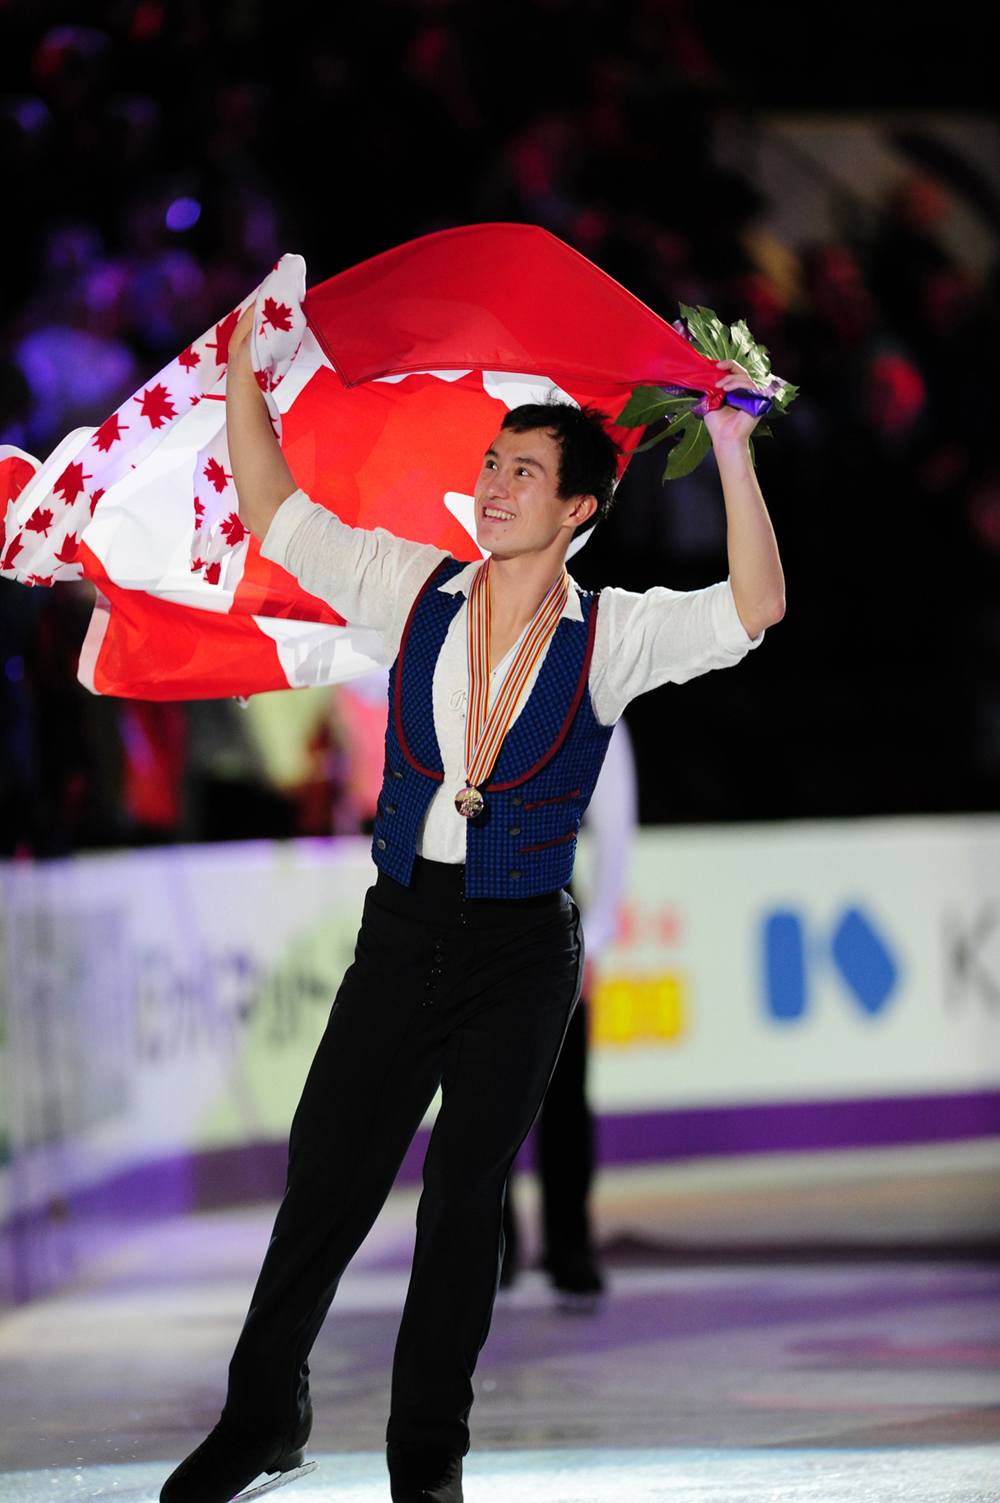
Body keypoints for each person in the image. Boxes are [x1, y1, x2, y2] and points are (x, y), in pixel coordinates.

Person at [161, 303, 785, 1503]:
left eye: (525, 472)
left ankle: (425, 1460)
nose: (494, 485)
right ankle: (261, 1416)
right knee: (326, 1176)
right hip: (400, 932)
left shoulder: (612, 637)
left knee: (460, 1205)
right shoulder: (414, 586)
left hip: (519, 954)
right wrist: (242, 374)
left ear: (579, 510)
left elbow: (754, 608)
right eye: (493, 463)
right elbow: (277, 513)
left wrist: (731, 448)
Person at [499, 717, 637, 1303]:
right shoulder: (465, 662)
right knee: (478, 1087)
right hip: (461, 887)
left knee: (562, 1089)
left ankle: (569, 1241)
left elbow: (616, 812)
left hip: (549, 885)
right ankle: (488, 1243)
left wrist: (598, 933)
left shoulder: (582, 680)